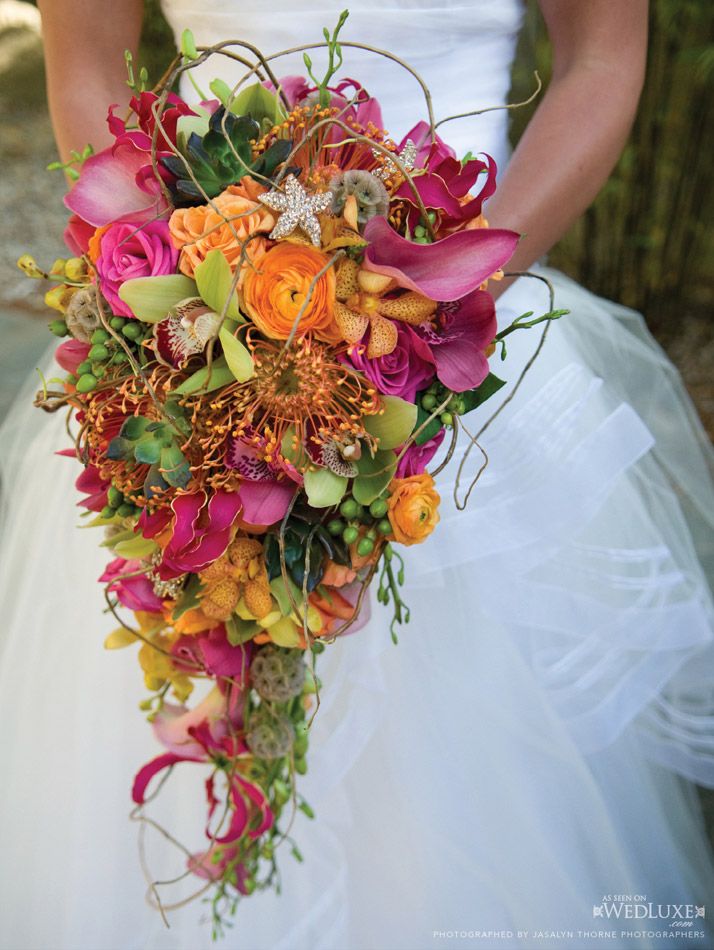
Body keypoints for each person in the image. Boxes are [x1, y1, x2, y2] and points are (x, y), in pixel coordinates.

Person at [1, 1, 713, 948]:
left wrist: (430, 305)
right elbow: (86, 64)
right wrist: (193, 326)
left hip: (467, 350)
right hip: (201, 344)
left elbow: (601, 62)